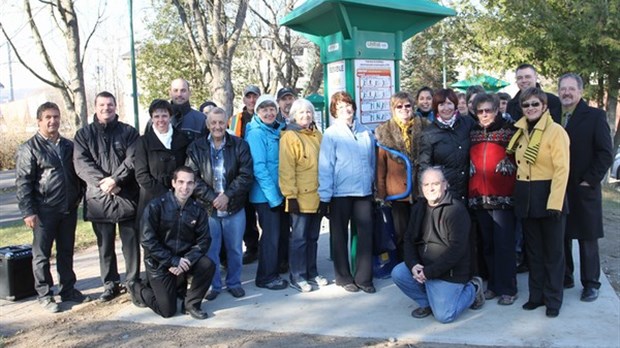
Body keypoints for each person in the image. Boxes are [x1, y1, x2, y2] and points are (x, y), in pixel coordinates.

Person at [15, 102, 90, 312]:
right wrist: (28, 211)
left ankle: (68, 290)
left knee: (66, 252)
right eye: (48, 117)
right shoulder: (29, 148)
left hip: (68, 208)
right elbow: (23, 182)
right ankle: (45, 294)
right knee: (42, 255)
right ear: (39, 121)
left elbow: (79, 173)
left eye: (56, 117)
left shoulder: (69, 146)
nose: (52, 121)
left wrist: (80, 196)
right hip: (43, 211)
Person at [391, 167, 485, 323]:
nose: (431, 188)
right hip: (425, 267)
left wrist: (429, 272)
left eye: (435, 183)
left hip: (450, 272)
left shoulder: (456, 210)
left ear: (445, 184)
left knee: (445, 316)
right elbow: (408, 239)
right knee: (398, 273)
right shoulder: (419, 208)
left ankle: (473, 289)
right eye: (426, 185)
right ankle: (427, 303)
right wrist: (413, 264)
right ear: (421, 188)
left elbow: (456, 251)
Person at [506, 87, 570, 318]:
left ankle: (553, 299)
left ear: (544, 106)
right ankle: (536, 296)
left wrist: (555, 203)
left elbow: (562, 169)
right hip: (527, 197)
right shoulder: (520, 132)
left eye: (535, 104)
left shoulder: (556, 131)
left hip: (550, 196)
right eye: (526, 105)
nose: (530, 108)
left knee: (553, 253)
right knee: (534, 252)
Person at [73, 91, 141, 302]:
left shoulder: (129, 132)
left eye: (110, 104)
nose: (106, 108)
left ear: (115, 107)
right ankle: (110, 284)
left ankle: (132, 282)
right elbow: (81, 164)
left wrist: (116, 180)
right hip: (98, 199)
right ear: (95, 107)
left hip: (126, 196)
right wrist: (104, 183)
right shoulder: (83, 135)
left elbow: (133, 159)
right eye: (102, 105)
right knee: (104, 246)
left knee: (130, 244)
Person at [185, 107, 253, 300]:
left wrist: (227, 196)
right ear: (207, 125)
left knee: (235, 249)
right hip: (208, 209)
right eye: (213, 123)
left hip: (234, 207)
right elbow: (193, 178)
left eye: (221, 122)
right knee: (210, 250)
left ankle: (234, 283)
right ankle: (214, 285)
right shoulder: (196, 147)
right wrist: (213, 198)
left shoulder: (240, 145)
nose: (217, 126)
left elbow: (245, 175)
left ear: (227, 124)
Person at [130, 166, 215, 320]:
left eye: (190, 183)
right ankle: (137, 288)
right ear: (173, 183)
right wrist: (172, 261)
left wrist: (187, 259)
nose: (185, 187)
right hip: (159, 262)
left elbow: (204, 241)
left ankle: (191, 304)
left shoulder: (198, 210)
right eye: (181, 182)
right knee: (167, 311)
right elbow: (147, 240)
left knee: (207, 264)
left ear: (195, 185)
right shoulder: (156, 206)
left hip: (184, 260)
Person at [559, 73, 614, 302]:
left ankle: (591, 283)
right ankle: (566, 276)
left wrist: (589, 180)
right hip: (560, 187)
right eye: (563, 89)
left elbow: (605, 153)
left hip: (584, 187)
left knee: (587, 237)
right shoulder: (552, 116)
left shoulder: (595, 116)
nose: (567, 93)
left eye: (572, 89)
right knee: (561, 235)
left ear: (580, 92)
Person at [318, 91, 376, 293]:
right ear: (335, 112)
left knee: (365, 235)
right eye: (341, 107)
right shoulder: (331, 134)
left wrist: (373, 186)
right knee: (340, 236)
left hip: (363, 192)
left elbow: (372, 162)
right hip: (340, 193)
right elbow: (326, 166)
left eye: (348, 105)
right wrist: (325, 196)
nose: (346, 110)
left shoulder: (366, 132)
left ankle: (364, 278)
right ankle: (343, 277)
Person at [469, 93, 518, 305]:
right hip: (479, 198)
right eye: (480, 111)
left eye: (488, 110)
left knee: (504, 245)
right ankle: (494, 285)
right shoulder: (472, 132)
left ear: (497, 110)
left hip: (504, 199)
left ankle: (509, 288)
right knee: (487, 245)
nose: (484, 114)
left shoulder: (510, 130)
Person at [279, 98, 327, 292]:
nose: (305, 116)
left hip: (317, 195)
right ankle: (297, 275)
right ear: (293, 116)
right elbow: (286, 169)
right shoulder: (290, 137)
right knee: (299, 239)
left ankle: (311, 272)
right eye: (301, 113)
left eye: (308, 112)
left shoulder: (318, 135)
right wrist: (290, 196)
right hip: (299, 197)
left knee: (313, 237)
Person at [375, 91, 429, 260]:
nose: (404, 109)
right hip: (397, 194)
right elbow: (381, 167)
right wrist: (382, 195)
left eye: (407, 106)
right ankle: (404, 265)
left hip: (421, 190)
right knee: (401, 233)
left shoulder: (426, 127)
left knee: (421, 230)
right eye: (399, 106)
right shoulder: (384, 132)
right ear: (393, 109)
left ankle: (421, 263)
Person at [245, 94, 289, 290]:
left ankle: (278, 268)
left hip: (279, 192)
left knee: (280, 233)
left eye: (272, 109)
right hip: (265, 195)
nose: (269, 113)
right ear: (257, 112)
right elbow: (259, 168)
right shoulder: (256, 133)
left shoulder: (277, 130)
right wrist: (273, 197)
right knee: (270, 236)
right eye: (264, 109)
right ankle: (265, 277)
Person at [134, 99, 190, 224]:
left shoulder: (183, 139)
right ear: (152, 119)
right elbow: (141, 174)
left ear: (170, 116)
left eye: (164, 115)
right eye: (156, 116)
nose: (161, 120)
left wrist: (177, 193)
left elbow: (187, 169)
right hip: (151, 199)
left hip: (179, 199)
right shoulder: (143, 142)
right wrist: (165, 195)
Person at [419, 88, 475, 202]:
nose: (446, 108)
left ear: (455, 105)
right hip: (446, 192)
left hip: (471, 189)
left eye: (449, 103)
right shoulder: (429, 133)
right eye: (441, 104)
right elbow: (425, 166)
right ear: (436, 108)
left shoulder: (467, 123)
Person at [229, 84, 261, 265]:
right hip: (242, 173)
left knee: (266, 213)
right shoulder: (234, 120)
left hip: (261, 173)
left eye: (254, 96)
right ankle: (252, 247)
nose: (252, 100)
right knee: (247, 214)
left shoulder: (267, 116)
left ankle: (268, 246)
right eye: (248, 97)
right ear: (244, 99)